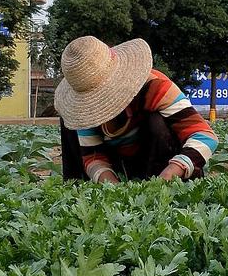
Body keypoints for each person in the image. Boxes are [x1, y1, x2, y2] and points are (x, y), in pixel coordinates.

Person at [54, 35, 218, 183]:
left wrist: (170, 173)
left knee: (156, 121)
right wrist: (112, 187)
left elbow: (205, 136)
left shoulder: (155, 86)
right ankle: (75, 188)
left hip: (163, 165)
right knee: (68, 120)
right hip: (119, 166)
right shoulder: (83, 108)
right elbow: (92, 156)